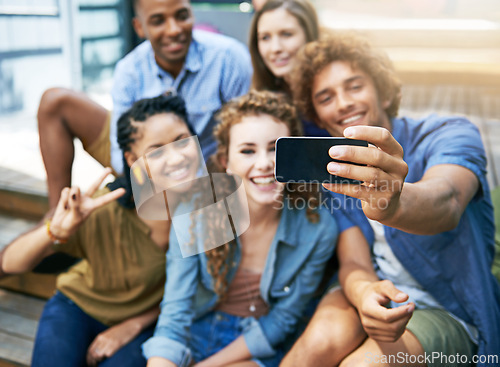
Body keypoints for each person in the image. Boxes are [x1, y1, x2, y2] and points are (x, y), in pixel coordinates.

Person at [280, 31, 500, 367]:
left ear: (382, 91)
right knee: (314, 349)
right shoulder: (335, 169)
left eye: (354, 86)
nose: (343, 103)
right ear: (319, 117)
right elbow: (354, 262)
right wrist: (364, 293)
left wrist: (394, 203)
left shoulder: (449, 132)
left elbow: (447, 202)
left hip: (446, 306)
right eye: (326, 98)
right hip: (374, 290)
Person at [0, 94, 202, 367]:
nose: (176, 157)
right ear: (132, 159)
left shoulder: (209, 210)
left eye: (182, 140)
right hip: (77, 307)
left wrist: (132, 325)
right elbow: (11, 262)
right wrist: (54, 229)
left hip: (149, 323)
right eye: (157, 150)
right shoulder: (106, 208)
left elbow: (199, 294)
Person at [142, 90, 338, 367]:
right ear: (226, 163)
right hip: (195, 335)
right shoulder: (192, 213)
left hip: (256, 347)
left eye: (276, 149)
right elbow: (175, 312)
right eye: (247, 151)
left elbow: (282, 321)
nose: (265, 164)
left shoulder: (318, 229)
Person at [38, 0, 252, 209]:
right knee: (54, 100)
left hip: (206, 165)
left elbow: (245, 138)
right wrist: (151, 177)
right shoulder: (129, 71)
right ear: (139, 27)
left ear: (192, 14)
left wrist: (192, 178)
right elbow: (119, 154)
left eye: (182, 16)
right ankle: (57, 212)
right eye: (158, 21)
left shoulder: (229, 59)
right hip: (146, 157)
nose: (174, 29)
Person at [248, 0, 327, 137]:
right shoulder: (262, 101)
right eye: (265, 37)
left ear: (309, 35)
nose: (275, 48)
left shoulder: (333, 93)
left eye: (286, 34)